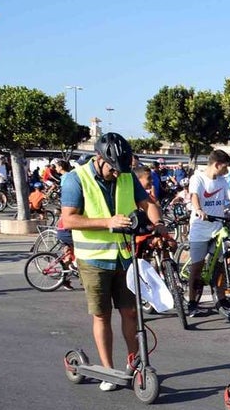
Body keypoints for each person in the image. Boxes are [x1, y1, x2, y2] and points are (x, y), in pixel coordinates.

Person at [59, 133, 162, 390]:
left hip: (124, 257)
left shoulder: (126, 174)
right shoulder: (75, 179)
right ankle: (107, 370)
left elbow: (147, 203)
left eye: (120, 170)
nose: (117, 175)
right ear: (99, 159)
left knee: (130, 311)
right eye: (112, 169)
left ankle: (134, 363)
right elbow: (69, 219)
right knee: (102, 315)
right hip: (93, 260)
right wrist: (108, 222)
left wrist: (158, 224)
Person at [185, 149, 230, 316]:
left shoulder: (222, 181)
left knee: (220, 266)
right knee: (197, 266)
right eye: (225, 167)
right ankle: (192, 302)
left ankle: (222, 299)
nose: (227, 170)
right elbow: (194, 195)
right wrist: (199, 209)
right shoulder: (198, 178)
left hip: (217, 227)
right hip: (200, 228)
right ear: (216, 165)